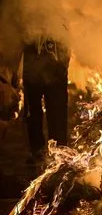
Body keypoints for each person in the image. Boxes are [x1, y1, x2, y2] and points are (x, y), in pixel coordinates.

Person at [22, 35, 70, 164]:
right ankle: (36, 150)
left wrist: (63, 65)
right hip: (32, 70)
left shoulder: (59, 21)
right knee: (33, 112)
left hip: (56, 70)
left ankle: (60, 150)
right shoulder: (29, 21)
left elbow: (67, 40)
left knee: (58, 111)